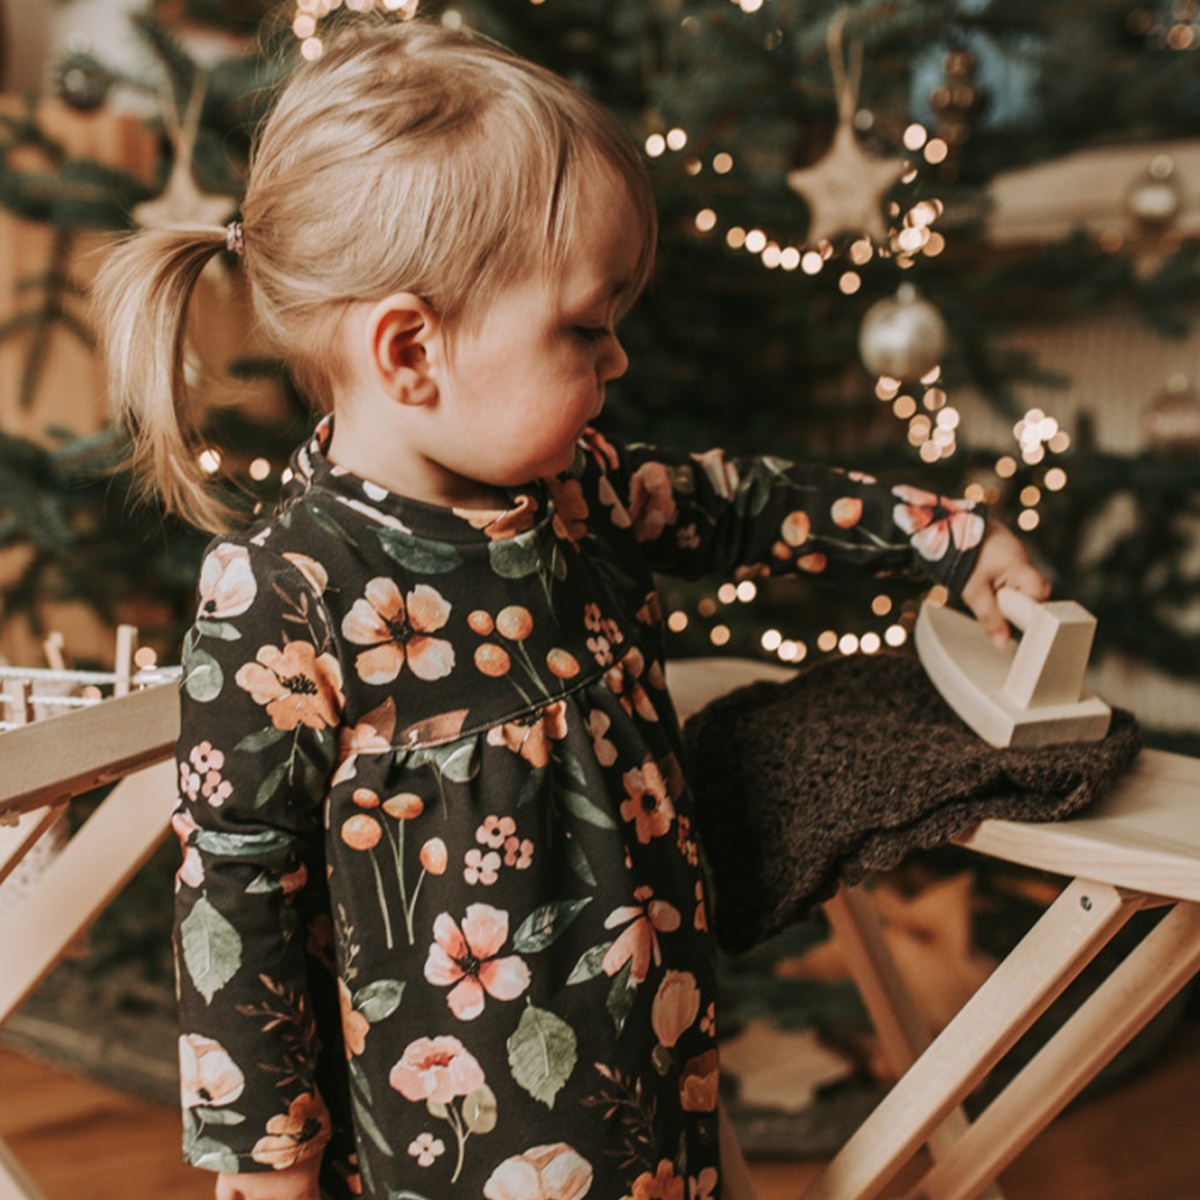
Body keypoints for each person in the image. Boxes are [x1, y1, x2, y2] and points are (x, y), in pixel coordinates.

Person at [94, 17, 1047, 1200]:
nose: (620, 361)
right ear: (410, 349)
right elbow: (232, 881)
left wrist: (948, 536)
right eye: (585, 328)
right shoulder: (289, 594)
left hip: (656, 1065)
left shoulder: (577, 494)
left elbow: (746, 505)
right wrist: (269, 1153)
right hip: (459, 1130)